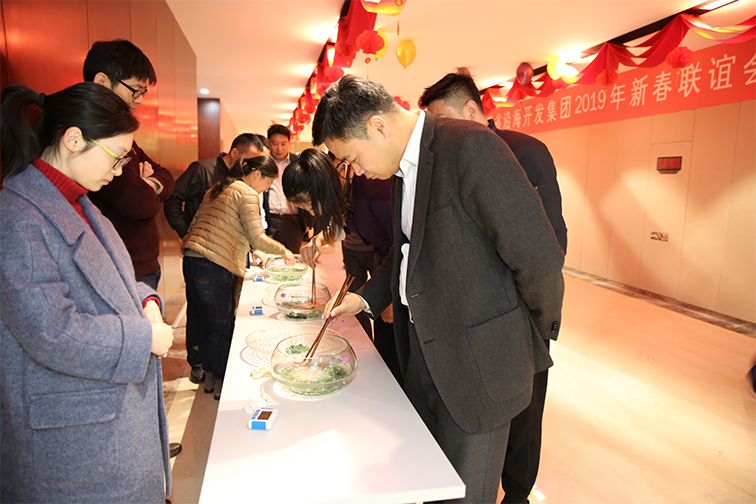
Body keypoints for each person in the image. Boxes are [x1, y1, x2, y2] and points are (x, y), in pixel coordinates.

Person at [314, 75, 565, 504]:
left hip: (478, 365)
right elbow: (408, 252)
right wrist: (366, 297)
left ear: (378, 127)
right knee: (428, 481)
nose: (356, 170)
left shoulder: (470, 146)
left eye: (351, 157)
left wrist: (530, 334)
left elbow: (536, 254)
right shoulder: (403, 170)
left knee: (467, 494)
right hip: (424, 352)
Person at [0, 82, 174, 503]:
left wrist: (147, 302)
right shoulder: (18, 216)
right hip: (74, 431)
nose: (118, 171)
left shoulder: (80, 202)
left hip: (100, 416)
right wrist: (143, 338)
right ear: (74, 139)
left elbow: (112, 281)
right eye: (116, 157)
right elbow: (51, 331)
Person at [420, 68, 568, 504]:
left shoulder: (525, 151)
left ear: (471, 110)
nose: (437, 132)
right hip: (470, 317)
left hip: (520, 310)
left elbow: (548, 241)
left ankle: (518, 496)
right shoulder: (440, 158)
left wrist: (539, 316)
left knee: (524, 418)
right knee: (480, 417)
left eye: (442, 120)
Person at [282, 148, 401, 383]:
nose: (313, 213)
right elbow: (340, 225)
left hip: (398, 273)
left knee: (397, 352)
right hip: (385, 270)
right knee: (384, 349)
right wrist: (317, 241)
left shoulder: (372, 187)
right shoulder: (344, 193)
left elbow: (400, 247)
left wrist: (389, 297)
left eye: (311, 206)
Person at [181, 156, 294, 400]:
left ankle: (210, 376)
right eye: (268, 183)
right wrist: (283, 251)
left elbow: (209, 224)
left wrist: (252, 250)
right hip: (213, 264)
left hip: (192, 259)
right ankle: (222, 381)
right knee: (220, 326)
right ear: (256, 174)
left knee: (204, 323)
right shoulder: (246, 194)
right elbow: (257, 237)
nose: (267, 189)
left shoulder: (217, 188)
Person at [164, 133, 267, 384]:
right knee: (201, 314)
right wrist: (186, 232)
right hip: (204, 257)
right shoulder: (202, 170)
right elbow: (172, 200)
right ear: (235, 153)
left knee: (225, 313)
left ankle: (219, 365)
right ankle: (200, 364)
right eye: (249, 159)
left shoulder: (242, 180)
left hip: (230, 255)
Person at [84, 39, 175, 291]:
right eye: (135, 90)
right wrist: (148, 189)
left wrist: (150, 184)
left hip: (141, 264)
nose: (140, 100)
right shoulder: (97, 136)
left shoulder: (121, 135)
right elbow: (141, 203)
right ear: (102, 82)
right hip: (122, 268)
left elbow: (167, 177)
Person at [262, 124, 310, 253]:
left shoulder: (299, 163)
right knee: (268, 258)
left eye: (283, 144)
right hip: (269, 219)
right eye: (274, 143)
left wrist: (309, 222)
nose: (279, 148)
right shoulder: (263, 163)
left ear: (289, 142)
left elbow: (309, 191)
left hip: (292, 221)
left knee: (292, 258)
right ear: (268, 143)